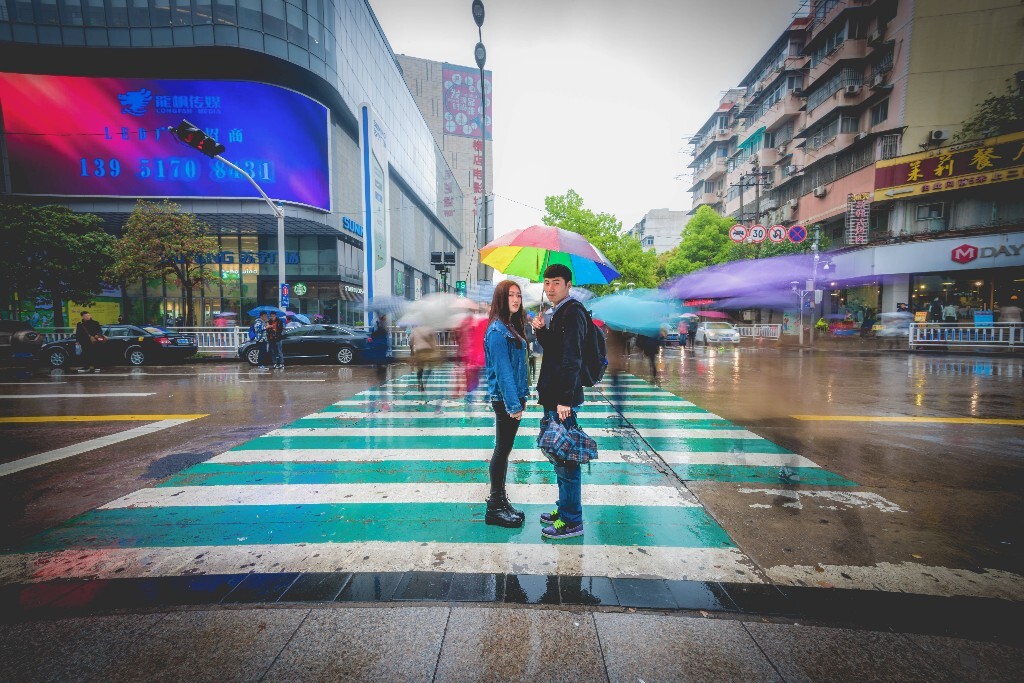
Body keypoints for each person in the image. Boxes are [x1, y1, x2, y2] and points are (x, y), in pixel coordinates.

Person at [531, 263, 589, 540]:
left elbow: (573, 358)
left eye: (556, 282)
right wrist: (541, 331)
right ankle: (564, 508)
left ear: (568, 285)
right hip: (554, 396)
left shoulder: (573, 312)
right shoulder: (559, 312)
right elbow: (555, 351)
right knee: (559, 456)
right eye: (546, 282)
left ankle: (572, 520)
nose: (550, 288)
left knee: (567, 461)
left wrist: (565, 399)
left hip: (562, 400)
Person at [482, 280, 530, 528]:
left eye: (518, 296)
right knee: (501, 451)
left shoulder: (509, 326)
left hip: (513, 398)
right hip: (505, 401)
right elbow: (503, 372)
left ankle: (501, 502)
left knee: (504, 451)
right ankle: (495, 507)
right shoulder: (497, 332)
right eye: (510, 295)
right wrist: (514, 405)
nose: (515, 299)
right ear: (501, 299)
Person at [409, 324, 440, 391]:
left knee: (420, 369)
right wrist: (435, 349)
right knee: (430, 367)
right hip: (428, 351)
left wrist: (412, 352)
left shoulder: (415, 330)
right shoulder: (430, 329)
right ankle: (425, 380)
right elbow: (433, 341)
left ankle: (420, 382)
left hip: (419, 351)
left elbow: (411, 342)